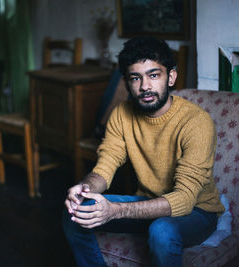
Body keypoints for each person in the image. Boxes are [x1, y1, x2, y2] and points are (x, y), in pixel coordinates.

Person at [62, 36, 224, 267]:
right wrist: (84, 189)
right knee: (77, 213)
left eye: (154, 75)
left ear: (171, 77)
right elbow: (106, 165)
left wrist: (115, 211)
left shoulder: (196, 122)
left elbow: (185, 200)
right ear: (127, 84)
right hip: (148, 203)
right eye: (135, 78)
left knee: (161, 230)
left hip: (198, 213)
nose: (145, 86)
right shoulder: (121, 114)